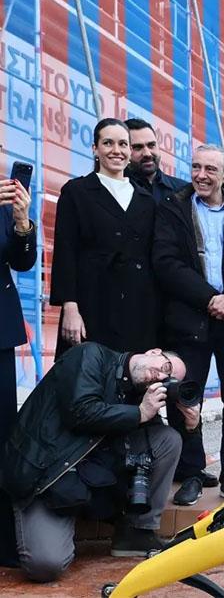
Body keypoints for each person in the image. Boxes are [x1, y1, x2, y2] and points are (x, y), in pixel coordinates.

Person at [0, 343, 197, 582]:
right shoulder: (90, 355)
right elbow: (80, 411)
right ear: (154, 352)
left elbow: (156, 445)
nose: (161, 377)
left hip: (90, 473)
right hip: (47, 474)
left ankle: (136, 531)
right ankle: (54, 522)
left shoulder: (143, 393)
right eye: (165, 367)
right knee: (46, 565)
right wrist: (139, 413)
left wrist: (190, 427)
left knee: (168, 439)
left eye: (168, 379)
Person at [153, 144, 224, 504]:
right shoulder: (172, 207)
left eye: (210, 169)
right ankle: (192, 473)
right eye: (196, 167)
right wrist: (209, 298)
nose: (201, 175)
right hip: (189, 320)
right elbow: (165, 262)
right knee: (184, 399)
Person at [50, 118, 158, 359]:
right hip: (92, 305)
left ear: (129, 151)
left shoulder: (146, 200)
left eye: (123, 144)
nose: (116, 150)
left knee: (134, 376)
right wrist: (70, 307)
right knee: (88, 374)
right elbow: (66, 252)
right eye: (108, 143)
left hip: (138, 309)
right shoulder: (76, 191)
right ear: (95, 149)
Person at [0, 170, 36, 566]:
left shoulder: (5, 204)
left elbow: (23, 262)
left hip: (0, 334)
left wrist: (22, 222)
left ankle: (5, 542)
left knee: (2, 436)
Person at [124, 118, 189, 202]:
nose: (147, 153)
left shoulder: (183, 190)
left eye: (151, 145)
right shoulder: (114, 189)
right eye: (137, 147)